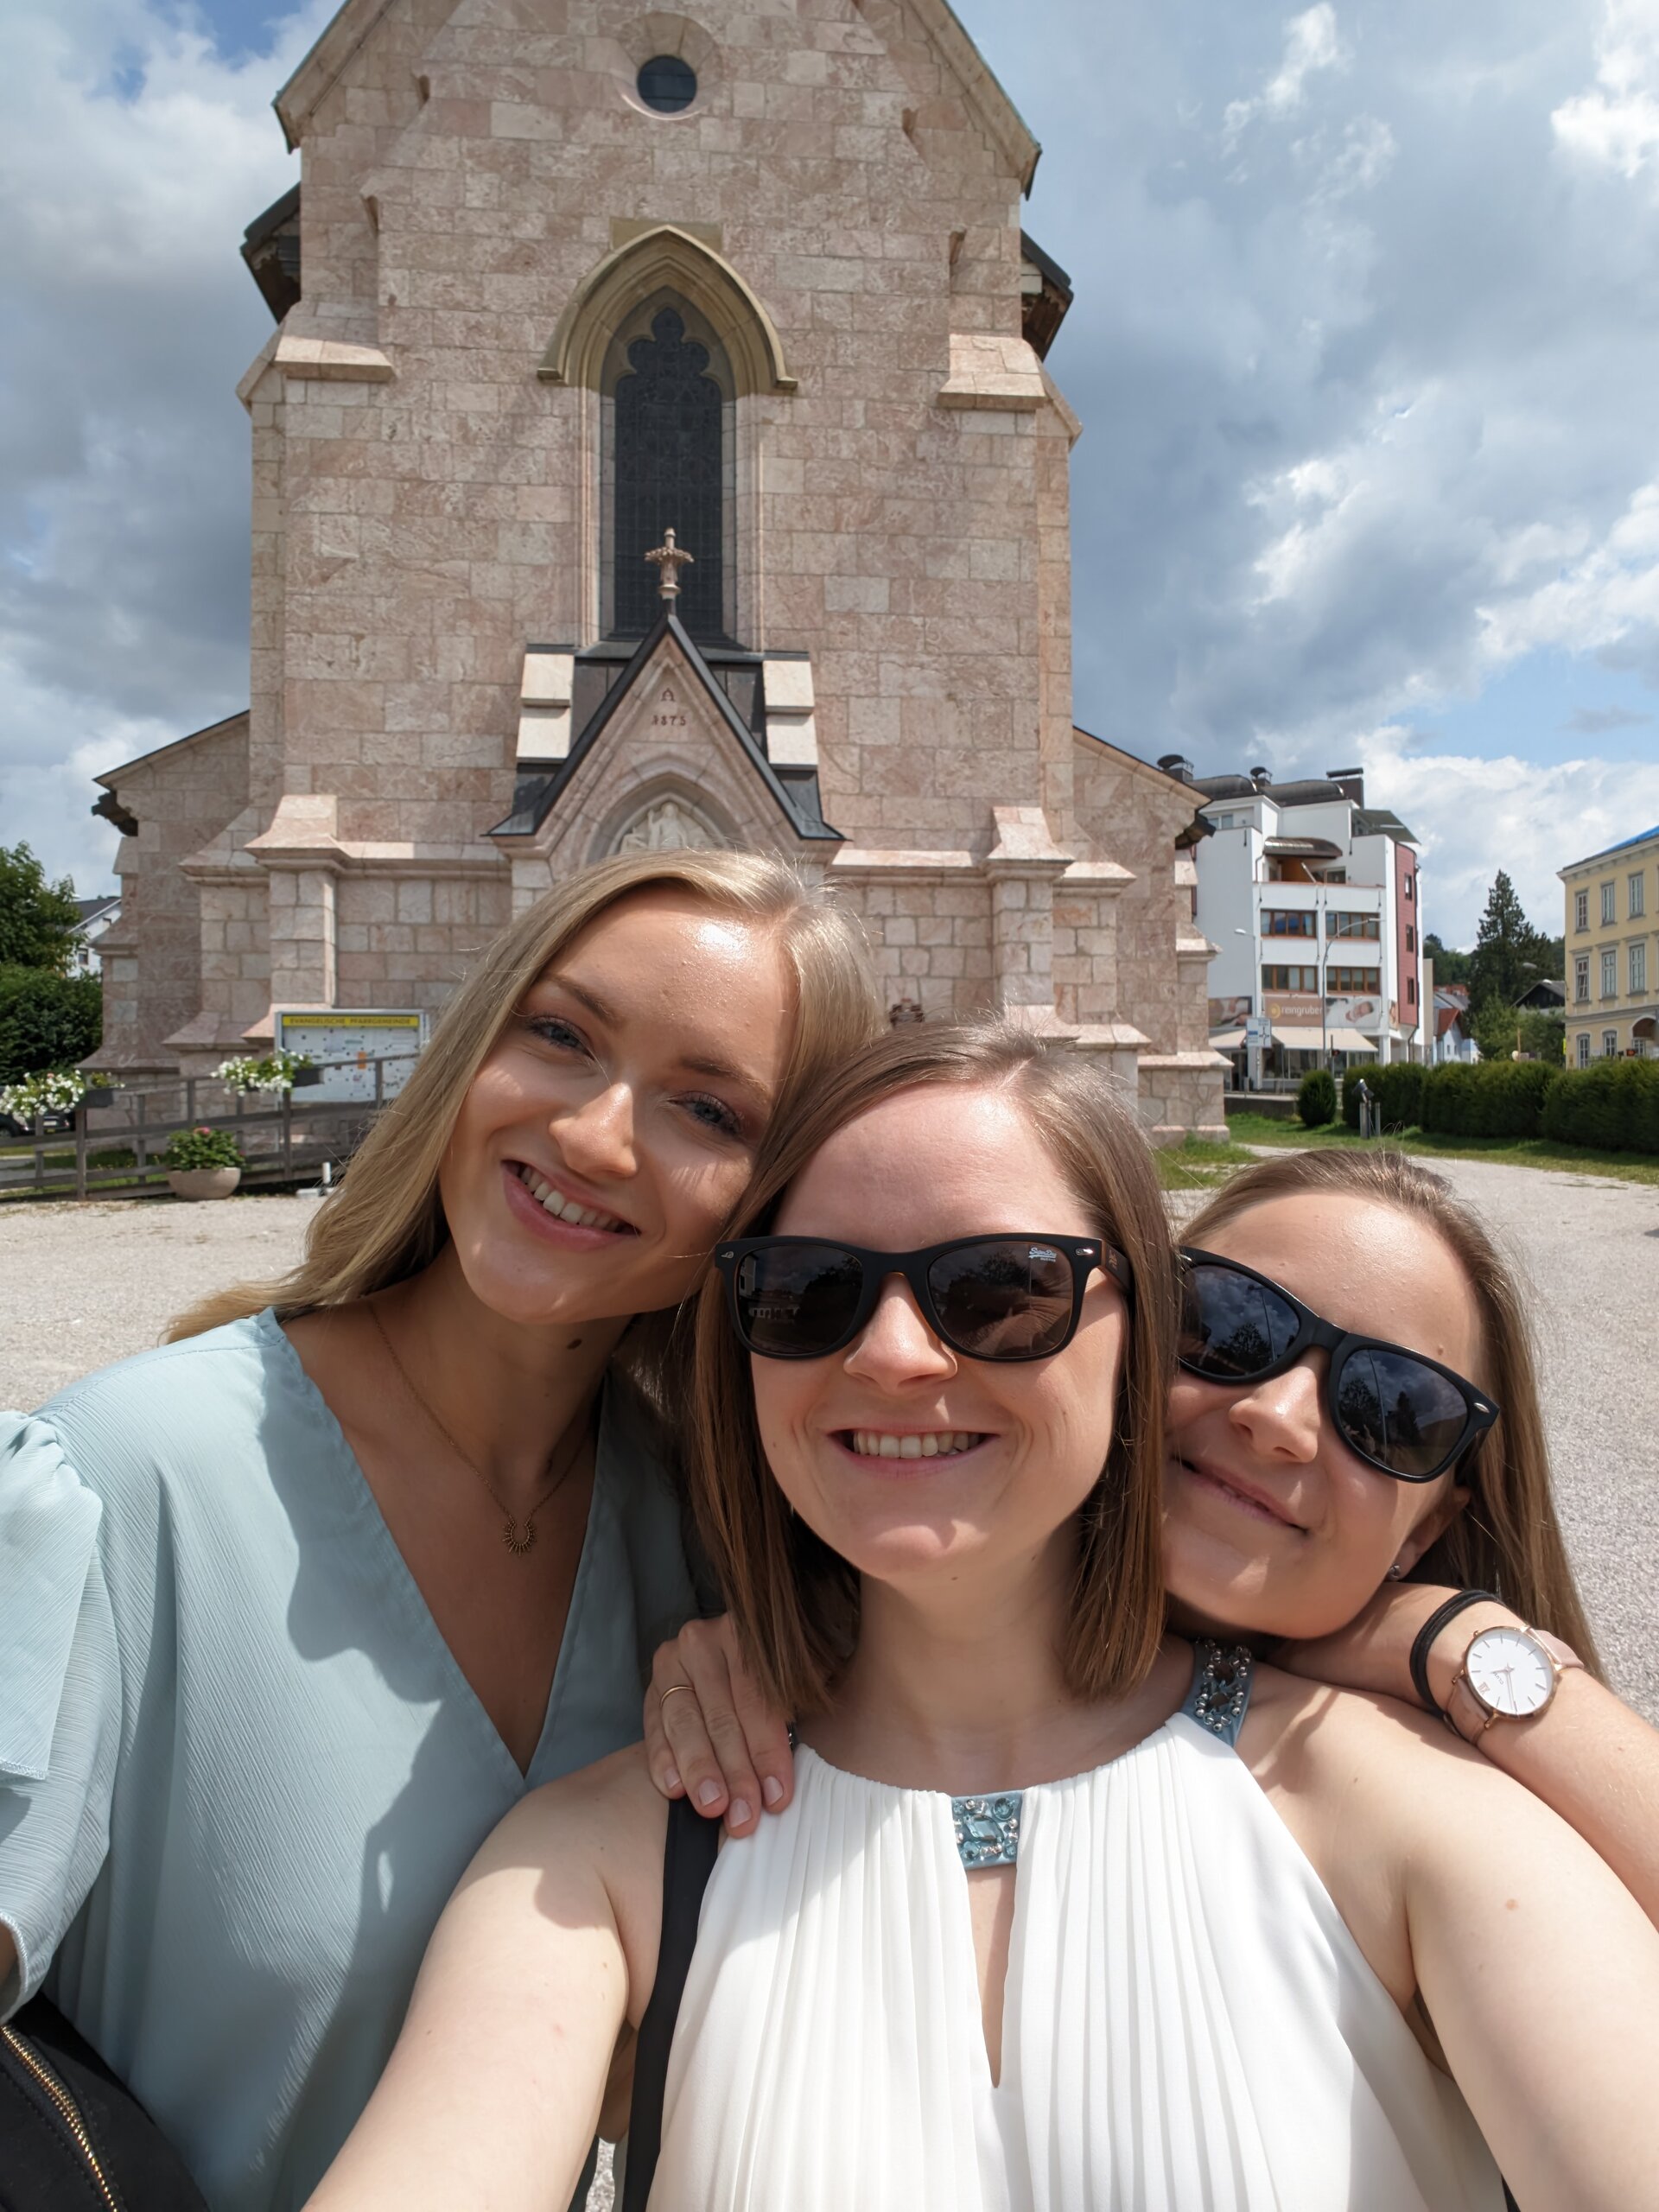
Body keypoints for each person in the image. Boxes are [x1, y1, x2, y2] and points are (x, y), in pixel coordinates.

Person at [306, 1024, 1659, 2212]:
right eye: (810, 1290)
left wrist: (1461, 1656)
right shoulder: (598, 1868)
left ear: (1127, 1336)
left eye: (1003, 1291)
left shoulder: (1410, 1816)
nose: (895, 1354)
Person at [0, 848, 883, 2211]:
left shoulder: (700, 1545)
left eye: (707, 1108)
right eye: (561, 1036)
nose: (595, 1136)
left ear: (776, 1204)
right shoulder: (119, 1481)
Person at [646, 1147, 1659, 1936]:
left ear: (1429, 1526)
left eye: (1392, 1408)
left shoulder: (1434, 1797)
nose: (1279, 1417)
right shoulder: (802, 1674)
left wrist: (1461, 1646)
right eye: (1227, 1325)